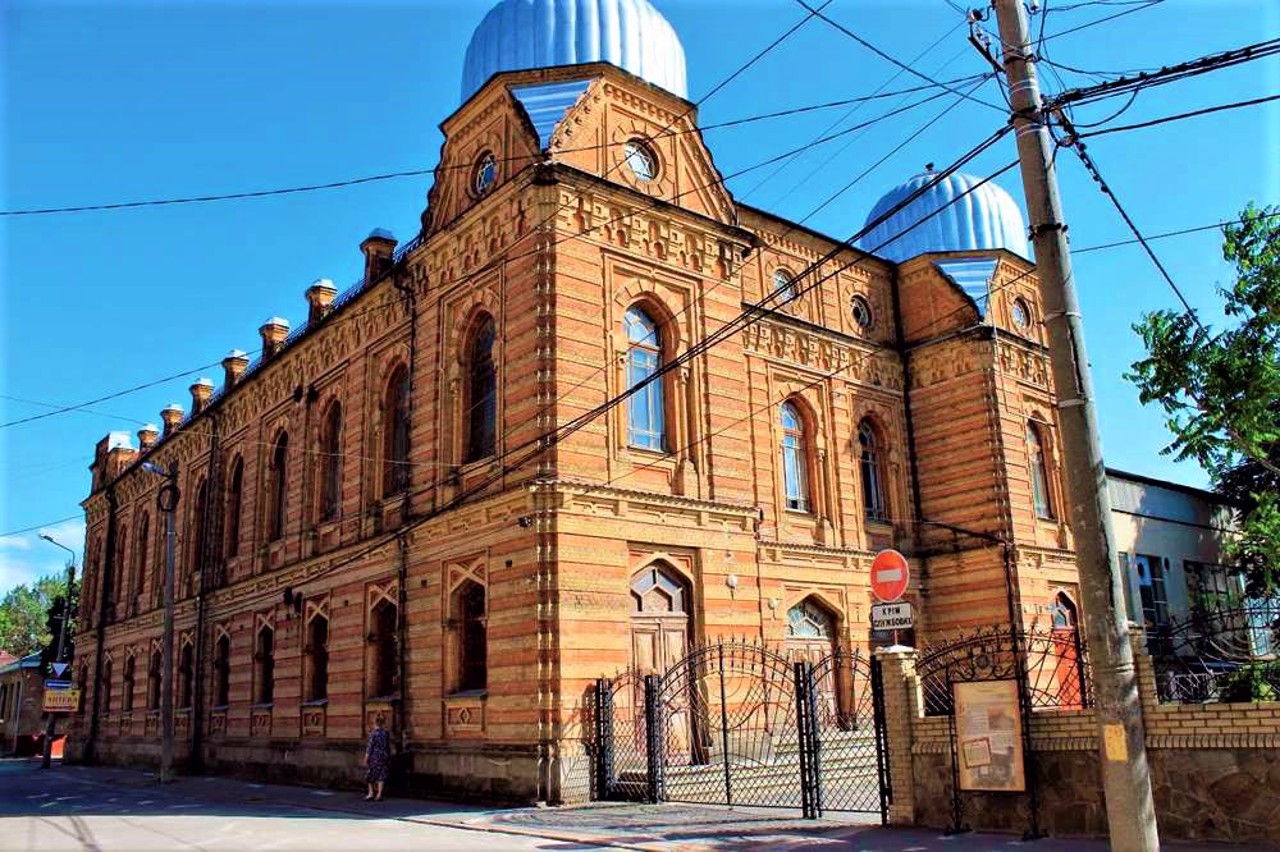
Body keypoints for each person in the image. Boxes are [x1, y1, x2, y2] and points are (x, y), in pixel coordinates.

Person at [363, 715, 390, 801]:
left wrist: (366, 757)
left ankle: (371, 793)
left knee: (370, 775)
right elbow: (387, 746)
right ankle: (379, 794)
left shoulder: (373, 734)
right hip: (384, 756)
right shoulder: (385, 733)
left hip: (374, 756)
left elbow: (370, 746)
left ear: (374, 723)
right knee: (381, 775)